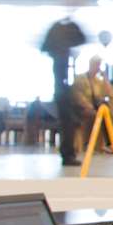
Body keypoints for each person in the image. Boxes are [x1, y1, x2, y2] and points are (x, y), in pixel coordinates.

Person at [39, 16, 89, 162]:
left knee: (69, 121)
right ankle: (68, 154)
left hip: (62, 90)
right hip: (62, 91)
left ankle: (68, 153)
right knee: (68, 121)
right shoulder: (60, 57)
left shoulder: (59, 55)